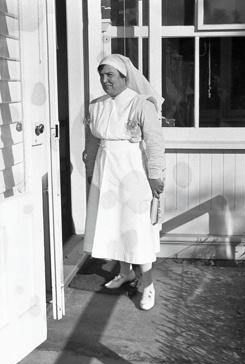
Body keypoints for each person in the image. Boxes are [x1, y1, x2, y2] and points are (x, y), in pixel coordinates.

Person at [83, 54, 165, 311]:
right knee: (114, 224)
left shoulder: (141, 103)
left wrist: (155, 174)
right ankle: (126, 272)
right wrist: (89, 172)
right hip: (105, 172)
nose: (104, 80)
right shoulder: (96, 105)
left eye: (110, 75)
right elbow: (92, 142)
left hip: (132, 172)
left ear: (124, 77)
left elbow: (154, 141)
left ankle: (148, 286)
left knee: (136, 227)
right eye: (102, 75)